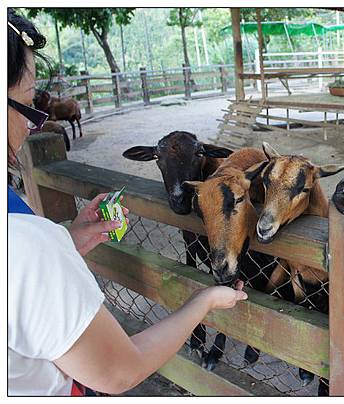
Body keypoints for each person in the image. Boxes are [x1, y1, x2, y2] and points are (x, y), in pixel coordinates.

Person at [7, 9, 247, 396]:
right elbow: (119, 371)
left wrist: (67, 239)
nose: (36, 123)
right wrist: (203, 302)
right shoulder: (27, 245)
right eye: (29, 104)